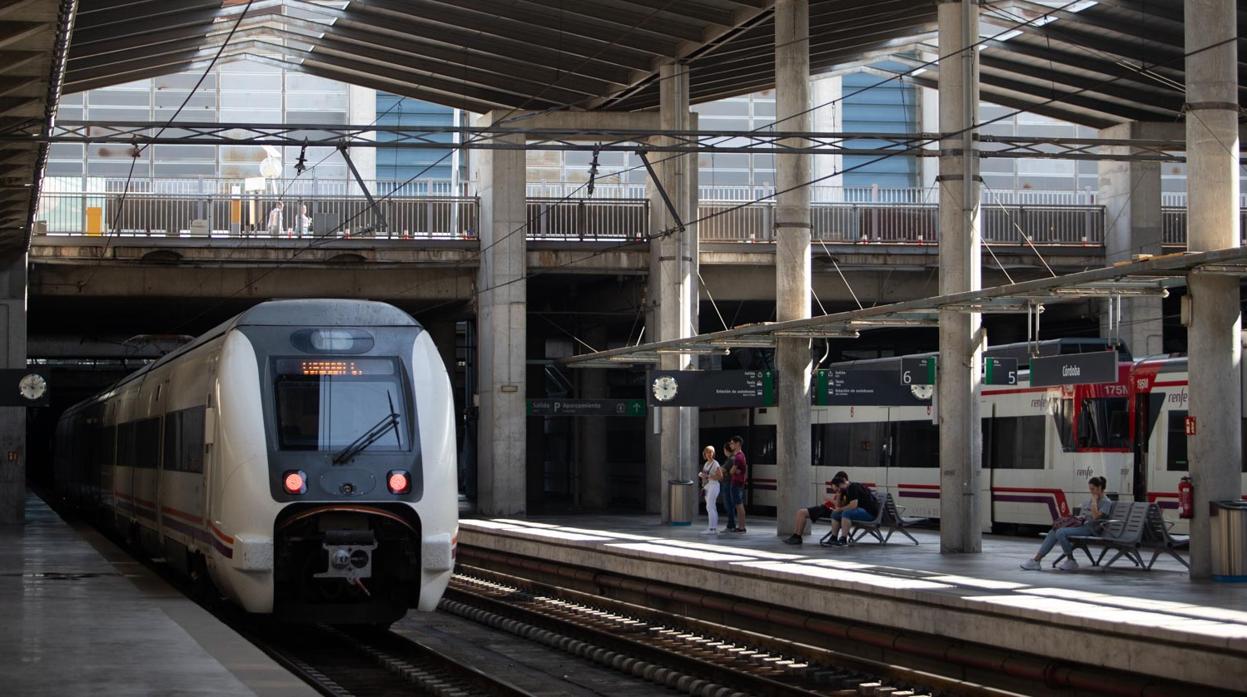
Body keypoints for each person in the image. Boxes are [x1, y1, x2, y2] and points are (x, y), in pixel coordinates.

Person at [1021, 476, 1113, 571]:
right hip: (1081, 525)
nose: (1091, 491)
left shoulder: (1106, 502)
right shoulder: (1091, 500)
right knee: (1054, 531)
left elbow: (1095, 517)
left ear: (1100, 488)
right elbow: (1085, 514)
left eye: (1093, 489)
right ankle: (1036, 560)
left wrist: (1094, 501)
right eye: (1090, 489)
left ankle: (1071, 560)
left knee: (1061, 532)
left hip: (1091, 529)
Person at [783, 471, 847, 545]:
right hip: (826, 508)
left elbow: (838, 506)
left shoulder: (844, 492)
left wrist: (829, 499)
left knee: (802, 512)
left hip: (828, 510)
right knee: (800, 512)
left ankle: (797, 537)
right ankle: (795, 535)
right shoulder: (840, 491)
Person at [823, 473, 878, 546]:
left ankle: (843, 539)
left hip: (869, 513)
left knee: (846, 513)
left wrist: (840, 509)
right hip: (859, 511)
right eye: (836, 490)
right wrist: (838, 494)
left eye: (837, 488)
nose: (838, 490)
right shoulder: (844, 490)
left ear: (840, 484)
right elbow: (839, 506)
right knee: (835, 514)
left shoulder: (853, 487)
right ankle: (834, 537)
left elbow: (853, 505)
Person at [697, 445, 723, 534]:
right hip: (708, 486)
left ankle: (711, 529)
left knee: (710, 506)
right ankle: (713, 528)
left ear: (713, 453)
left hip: (714, 485)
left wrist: (708, 476)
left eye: (711, 452)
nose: (709, 454)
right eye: (707, 452)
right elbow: (705, 475)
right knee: (712, 507)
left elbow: (720, 476)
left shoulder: (715, 463)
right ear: (704, 453)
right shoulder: (706, 463)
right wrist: (703, 476)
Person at [726, 435, 748, 533]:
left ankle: (742, 527)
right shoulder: (742, 455)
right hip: (740, 482)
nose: (730, 445)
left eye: (732, 443)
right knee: (739, 504)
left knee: (739, 505)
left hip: (736, 483)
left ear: (737, 444)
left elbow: (731, 471)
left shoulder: (738, 457)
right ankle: (741, 526)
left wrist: (734, 471)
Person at [721, 440, 737, 531]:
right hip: (730, 483)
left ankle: (731, 525)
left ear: (726, 450)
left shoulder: (731, 459)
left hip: (728, 483)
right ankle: (731, 524)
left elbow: (722, 469)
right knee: (730, 504)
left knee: (728, 504)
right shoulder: (732, 459)